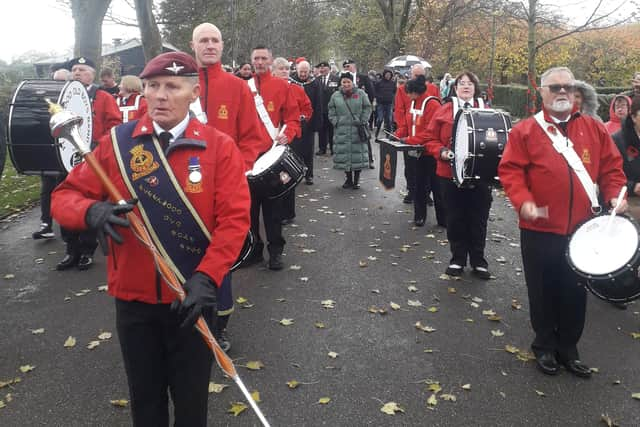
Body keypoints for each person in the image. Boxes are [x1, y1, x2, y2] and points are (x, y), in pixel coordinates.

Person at [51, 51, 251, 426]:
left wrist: (208, 277)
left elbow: (234, 222)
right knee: (146, 404)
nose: (159, 95)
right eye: (152, 86)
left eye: (172, 87)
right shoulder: (118, 143)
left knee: (192, 406)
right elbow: (63, 196)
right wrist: (90, 212)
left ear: (194, 92)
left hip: (192, 297)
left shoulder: (219, 147)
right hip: (134, 301)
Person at [499, 66, 627, 378]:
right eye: (554, 87)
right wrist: (523, 202)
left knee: (574, 292)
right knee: (542, 291)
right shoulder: (526, 131)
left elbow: (612, 168)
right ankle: (544, 346)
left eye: (567, 87)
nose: (561, 92)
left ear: (575, 92)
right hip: (539, 229)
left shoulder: (595, 130)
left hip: (582, 231)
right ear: (541, 92)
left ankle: (569, 348)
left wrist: (614, 195)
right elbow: (510, 171)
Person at [191, 22, 268, 351]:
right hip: (182, 189)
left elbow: (253, 138)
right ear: (192, 45)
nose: (209, 45)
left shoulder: (238, 88)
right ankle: (187, 318)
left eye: (215, 40)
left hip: (223, 190)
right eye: (203, 40)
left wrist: (239, 167)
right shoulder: (182, 83)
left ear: (222, 45)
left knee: (220, 257)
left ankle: (219, 324)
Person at [425, 71, 493, 280]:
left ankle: (478, 260)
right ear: (455, 88)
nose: (465, 86)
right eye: (461, 83)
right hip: (449, 173)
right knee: (455, 217)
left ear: (475, 88)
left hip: (481, 175)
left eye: (470, 83)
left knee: (479, 217)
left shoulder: (487, 111)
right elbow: (429, 139)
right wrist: (441, 152)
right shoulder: (444, 110)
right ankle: (457, 259)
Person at [56, 56, 121, 270]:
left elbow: (114, 125)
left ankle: (86, 250)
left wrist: (98, 147)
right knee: (68, 198)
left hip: (92, 156)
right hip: (68, 156)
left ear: (92, 74)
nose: (76, 73)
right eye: (74, 69)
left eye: (82, 69)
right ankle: (70, 249)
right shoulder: (63, 97)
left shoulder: (102, 97)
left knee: (90, 202)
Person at [246, 45, 301, 270]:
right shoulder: (242, 87)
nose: (259, 62)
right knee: (248, 210)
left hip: (271, 156)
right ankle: (254, 250)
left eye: (263, 58)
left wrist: (287, 135)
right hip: (247, 159)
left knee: (273, 210)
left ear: (270, 61)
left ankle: (276, 251)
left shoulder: (281, 86)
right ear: (251, 61)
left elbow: (293, 118)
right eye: (256, 58)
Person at [394, 75, 445, 227]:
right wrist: (399, 134)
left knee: (437, 187)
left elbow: (431, 132)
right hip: (416, 151)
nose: (407, 96)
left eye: (408, 92)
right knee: (418, 185)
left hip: (431, 152)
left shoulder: (432, 104)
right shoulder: (414, 102)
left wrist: (410, 140)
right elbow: (409, 125)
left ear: (416, 91)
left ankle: (442, 218)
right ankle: (419, 216)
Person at [274, 58, 314, 224]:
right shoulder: (266, 89)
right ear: (273, 71)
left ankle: (288, 213)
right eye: (280, 69)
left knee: (287, 175)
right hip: (272, 137)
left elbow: (307, 108)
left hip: (291, 137)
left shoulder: (297, 88)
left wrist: (301, 117)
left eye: (286, 69)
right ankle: (273, 209)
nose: (284, 71)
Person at [32, 68, 70, 240]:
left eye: (61, 81)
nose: (58, 85)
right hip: (48, 150)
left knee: (63, 189)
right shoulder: (45, 100)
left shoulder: (72, 98)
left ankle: (68, 227)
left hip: (65, 151)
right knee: (46, 188)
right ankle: (46, 224)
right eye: (56, 81)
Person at [328, 73, 372, 189]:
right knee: (344, 154)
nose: (346, 84)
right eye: (344, 82)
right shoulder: (335, 95)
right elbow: (331, 109)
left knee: (357, 155)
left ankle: (356, 180)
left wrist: (362, 120)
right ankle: (348, 179)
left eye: (348, 82)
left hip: (357, 128)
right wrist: (335, 121)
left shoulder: (361, 94)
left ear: (352, 83)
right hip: (341, 129)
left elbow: (367, 107)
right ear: (341, 83)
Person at [289, 60, 321, 185]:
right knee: (294, 150)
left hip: (309, 121)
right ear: (297, 70)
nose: (303, 74)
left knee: (308, 149)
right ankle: (294, 174)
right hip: (294, 121)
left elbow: (318, 103)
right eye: (301, 71)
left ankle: (309, 175)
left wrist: (317, 123)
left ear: (309, 71)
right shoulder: (291, 82)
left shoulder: (315, 83)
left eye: (305, 72)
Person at [343, 59, 375, 168]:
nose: (347, 68)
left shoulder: (363, 77)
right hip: (348, 113)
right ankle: (351, 162)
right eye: (345, 66)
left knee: (364, 136)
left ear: (354, 65)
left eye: (348, 66)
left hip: (361, 112)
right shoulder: (343, 78)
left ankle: (369, 160)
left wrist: (366, 112)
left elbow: (370, 93)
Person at [316, 61, 340, 155]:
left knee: (332, 130)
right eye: (321, 68)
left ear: (329, 68)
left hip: (332, 109)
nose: (322, 70)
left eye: (324, 68)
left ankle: (333, 148)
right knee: (321, 130)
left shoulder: (336, 79)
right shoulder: (317, 80)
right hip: (320, 110)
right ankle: (322, 148)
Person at [374, 69, 396, 138]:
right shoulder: (379, 83)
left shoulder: (392, 83)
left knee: (388, 120)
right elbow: (375, 91)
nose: (388, 76)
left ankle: (388, 134)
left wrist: (392, 99)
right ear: (384, 75)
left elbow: (394, 92)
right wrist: (378, 98)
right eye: (387, 75)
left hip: (389, 103)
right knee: (380, 119)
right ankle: (377, 132)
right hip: (380, 103)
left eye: (389, 75)